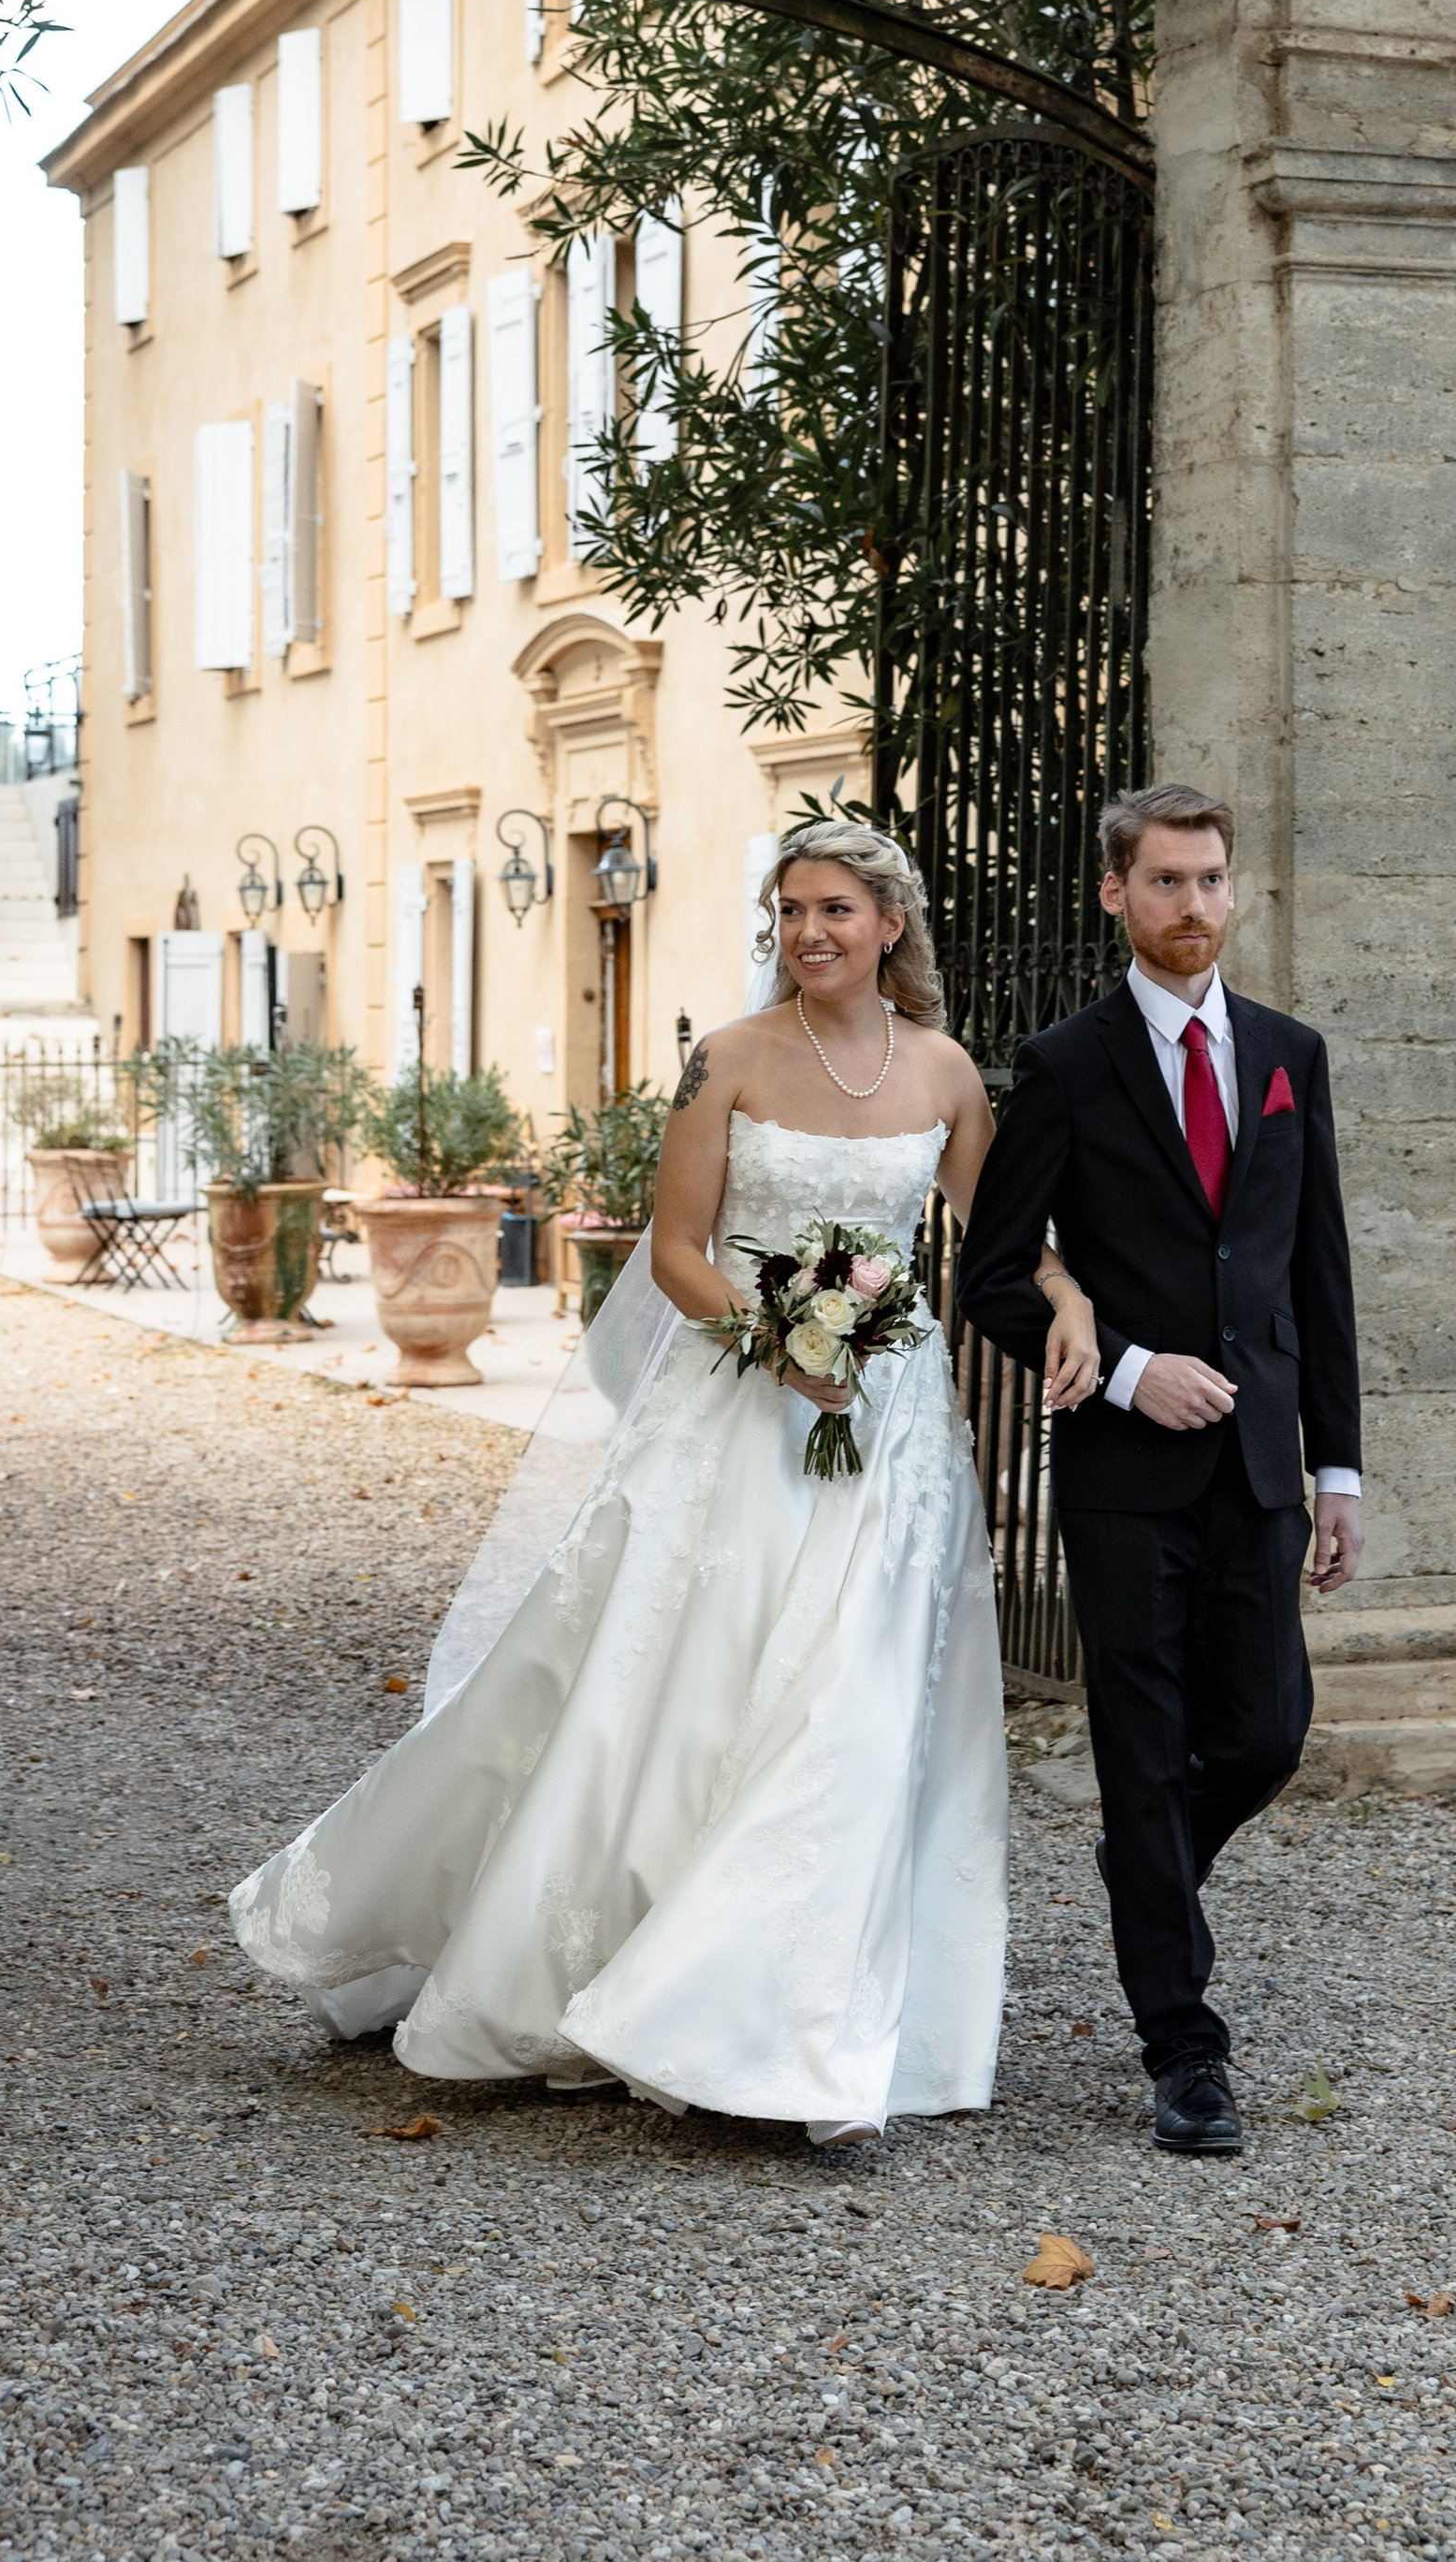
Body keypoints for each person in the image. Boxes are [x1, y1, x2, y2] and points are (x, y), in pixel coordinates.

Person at [228, 818, 1100, 2147]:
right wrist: (782, 1336)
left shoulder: (945, 1075)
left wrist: (1069, 1295)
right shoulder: (729, 1060)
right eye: (792, 909)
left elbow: (998, 1239)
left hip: (894, 1429)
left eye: (837, 911)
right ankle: (655, 1976)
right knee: (688, 1688)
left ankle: (789, 2021)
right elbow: (681, 1248)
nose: (811, 932)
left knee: (856, 1697)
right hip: (741, 1407)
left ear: (890, 926)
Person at [957, 780, 1361, 2158]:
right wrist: (1128, 1367)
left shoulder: (1289, 1052)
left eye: (1212, 881)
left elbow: (1321, 1278)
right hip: (1124, 1472)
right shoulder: (1066, 1064)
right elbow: (998, 1275)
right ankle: (1186, 2052)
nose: (1194, 906)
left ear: (1234, 891)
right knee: (1140, 1747)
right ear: (1117, 896)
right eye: (1167, 882)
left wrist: (1342, 1470)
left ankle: (1149, 1859)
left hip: (1260, 1468)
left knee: (1265, 1732)